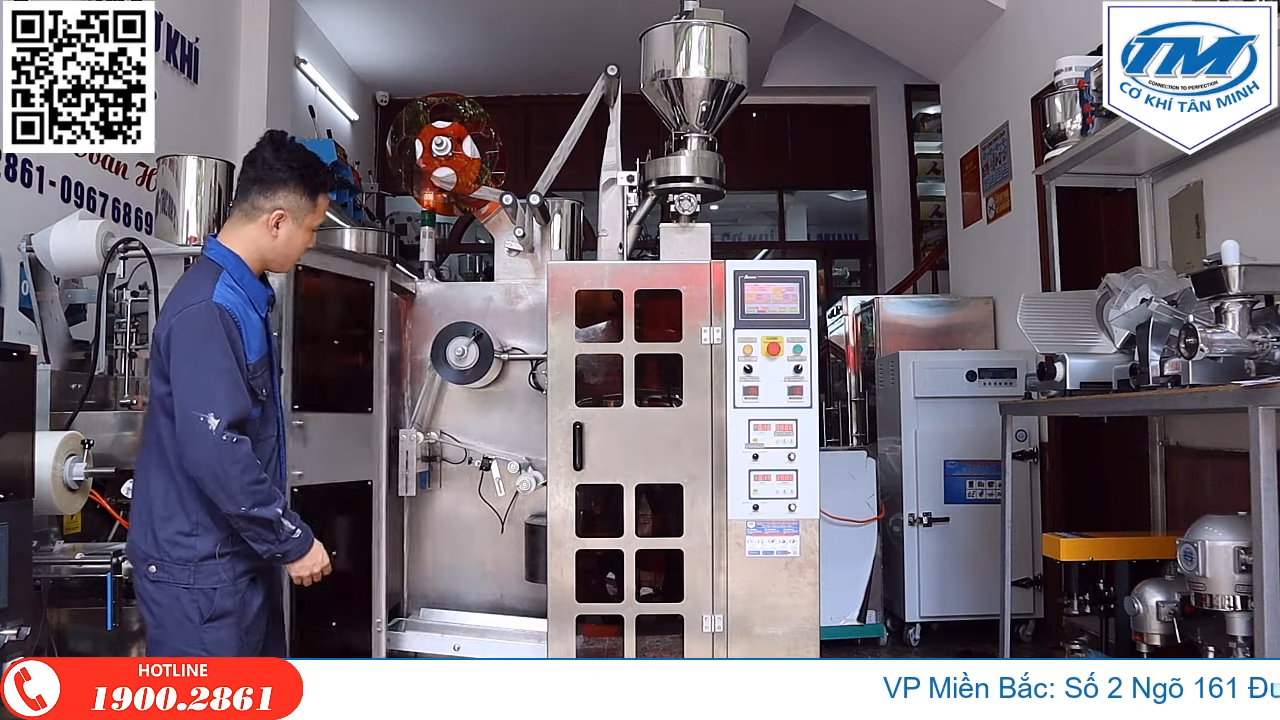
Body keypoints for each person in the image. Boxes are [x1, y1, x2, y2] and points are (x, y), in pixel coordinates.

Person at [128, 130, 335, 657]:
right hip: (198, 573)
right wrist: (290, 539)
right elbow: (215, 448)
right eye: (311, 229)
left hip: (231, 559)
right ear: (277, 221)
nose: (311, 243)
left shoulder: (244, 296)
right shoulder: (210, 307)